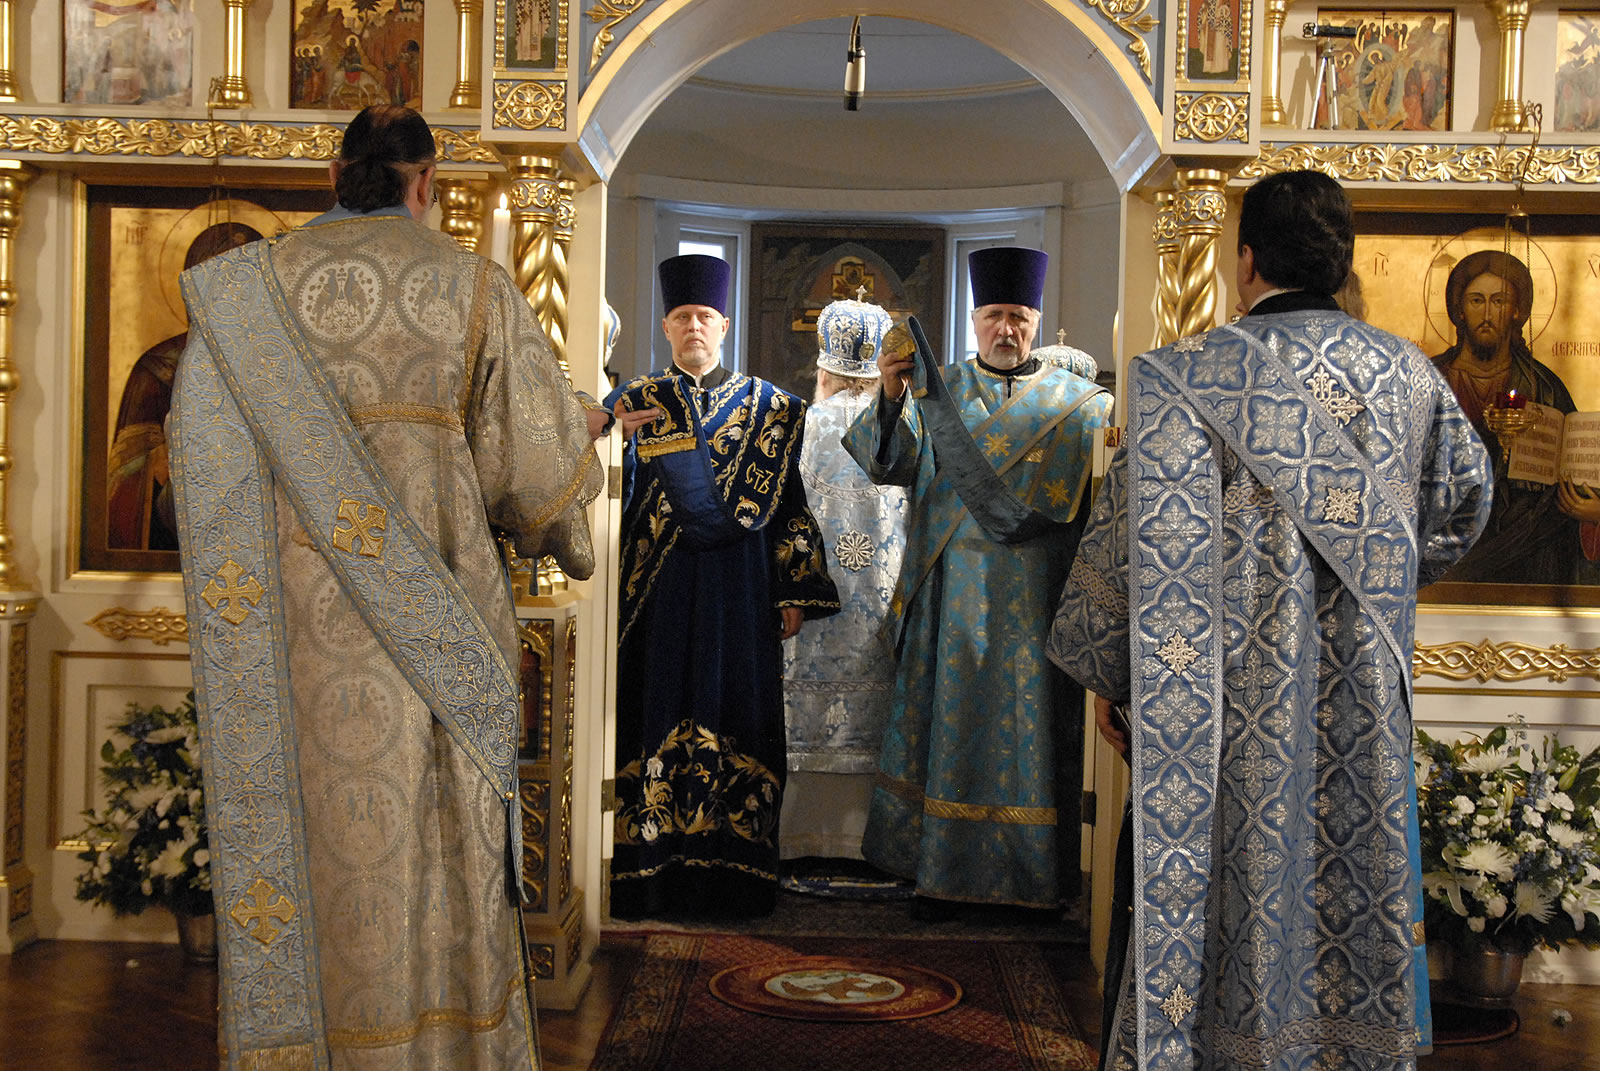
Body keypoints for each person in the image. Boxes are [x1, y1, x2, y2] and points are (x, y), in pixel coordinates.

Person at [168, 104, 604, 1071]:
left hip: (290, 651)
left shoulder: (245, 294)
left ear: (336, 176)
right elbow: (539, 485)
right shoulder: (474, 289)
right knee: (435, 850)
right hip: (438, 634)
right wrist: (581, 443)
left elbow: (196, 452)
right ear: (426, 183)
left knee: (320, 844)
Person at [1049, 170, 1492, 1071]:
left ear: (1245, 260)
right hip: (1361, 703)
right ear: (1342, 261)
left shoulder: (1184, 378)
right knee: (1349, 879)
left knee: (1232, 889)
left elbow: (1130, 544)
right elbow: (1466, 503)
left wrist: (1119, 678)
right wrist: (1381, 583)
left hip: (1219, 710)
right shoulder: (1410, 375)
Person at [843, 247, 1112, 915]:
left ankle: (1032, 876)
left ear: (1036, 320)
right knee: (952, 727)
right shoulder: (939, 391)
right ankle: (939, 869)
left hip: (1037, 598)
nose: (1006, 328)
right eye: (994, 315)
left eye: (1019, 316)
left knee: (1028, 732)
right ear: (974, 320)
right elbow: (887, 464)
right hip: (950, 596)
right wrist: (891, 394)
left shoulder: (1081, 406)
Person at [607, 254, 840, 918]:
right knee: (657, 706)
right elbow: (608, 490)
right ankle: (652, 870)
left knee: (737, 708)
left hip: (741, 590)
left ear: (724, 325)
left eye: (704, 316)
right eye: (682, 316)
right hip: (658, 591)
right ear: (666, 326)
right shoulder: (634, 403)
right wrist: (611, 439)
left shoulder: (771, 408)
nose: (693, 326)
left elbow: (790, 503)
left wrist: (791, 588)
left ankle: (735, 874)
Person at [779, 295, 908, 862]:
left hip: (816, 600)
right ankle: (871, 843)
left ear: (824, 368)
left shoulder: (802, 425)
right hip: (886, 596)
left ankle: (802, 837)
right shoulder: (903, 427)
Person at [1431, 249, 1580, 585]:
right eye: (1476, 300)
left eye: (1499, 301)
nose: (1487, 313)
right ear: (1459, 309)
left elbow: (1568, 478)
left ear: (1516, 311)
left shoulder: (1544, 387)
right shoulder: (1430, 379)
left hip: (1526, 551)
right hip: (1444, 538)